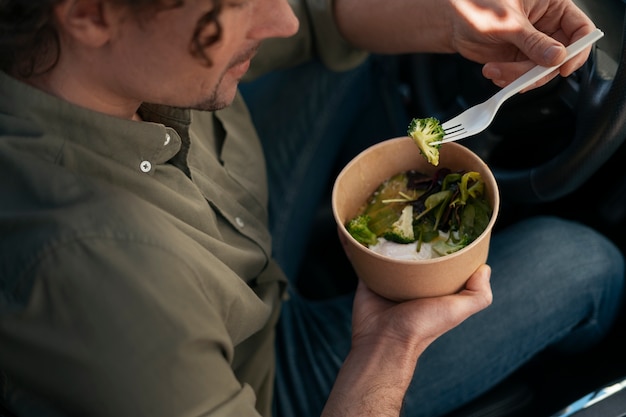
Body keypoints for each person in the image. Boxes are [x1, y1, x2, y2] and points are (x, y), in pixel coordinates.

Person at [0, 0, 623, 416]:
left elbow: (315, 14)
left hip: (252, 261)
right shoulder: (95, 277)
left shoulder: (99, 60)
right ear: (88, 12)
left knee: (343, 64)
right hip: (262, 384)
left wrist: (456, 21)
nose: (280, 19)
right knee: (584, 263)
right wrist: (389, 347)